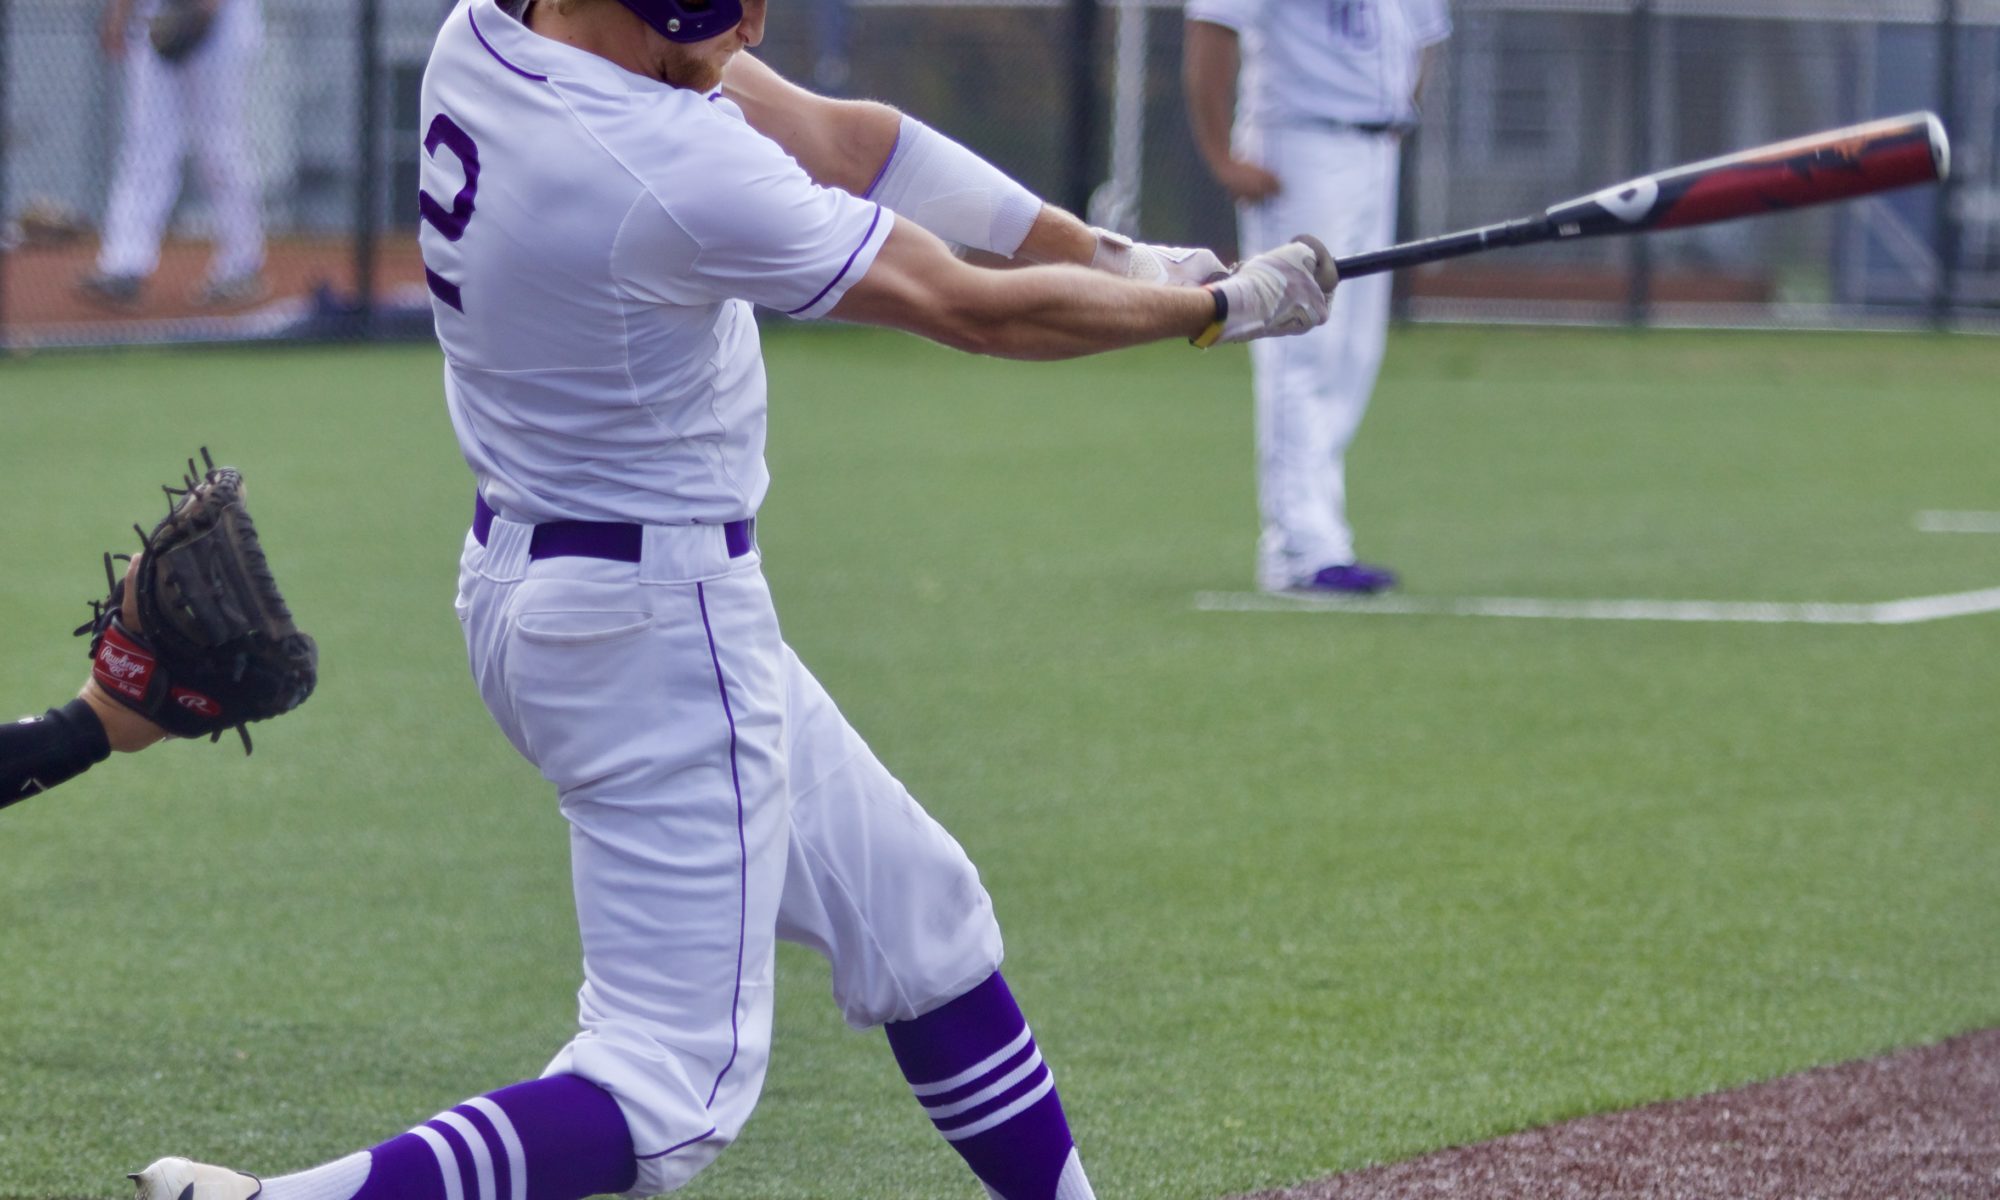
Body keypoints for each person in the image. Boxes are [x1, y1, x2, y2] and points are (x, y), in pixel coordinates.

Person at [125, 3, 1334, 1200]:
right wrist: (1209, 309)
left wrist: (1102, 254)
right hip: (652, 623)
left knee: (924, 923)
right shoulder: (664, 166)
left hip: (548, 584)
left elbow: (853, 142)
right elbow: (966, 306)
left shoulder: (491, 33)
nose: (752, 27)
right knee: (664, 1097)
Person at [1184, 0, 1451, 594]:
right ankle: (1300, 549)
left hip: (1377, 145)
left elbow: (1425, 35)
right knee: (1297, 345)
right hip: (1301, 143)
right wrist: (1222, 155)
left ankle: (1321, 531)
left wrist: (1392, 113)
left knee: (1354, 350)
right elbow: (1212, 25)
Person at [78, 0, 267, 310]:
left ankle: (241, 263)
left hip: (222, 21)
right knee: (146, 145)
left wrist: (207, 8)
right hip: (157, 14)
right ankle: (124, 264)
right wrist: (118, 15)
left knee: (219, 147)